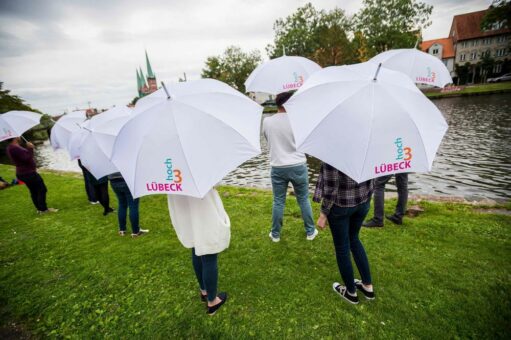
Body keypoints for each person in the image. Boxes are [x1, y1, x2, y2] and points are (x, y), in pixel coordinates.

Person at [314, 162, 375, 304]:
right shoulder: (366, 144)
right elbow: (373, 176)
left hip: (341, 206)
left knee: (342, 248)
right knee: (354, 239)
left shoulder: (333, 151)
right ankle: (368, 287)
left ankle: (351, 292)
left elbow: (330, 188)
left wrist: (323, 214)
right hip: (363, 202)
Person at [262, 91, 317, 242]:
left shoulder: (267, 121)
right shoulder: (299, 121)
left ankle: (275, 234)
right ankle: (310, 232)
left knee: (278, 201)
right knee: (303, 199)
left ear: (278, 104)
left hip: (278, 166)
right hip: (298, 164)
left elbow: (268, 140)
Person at [167, 188, 229, 315]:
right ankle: (212, 301)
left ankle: (204, 291)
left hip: (181, 203)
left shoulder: (168, 169)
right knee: (208, 251)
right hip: (202, 205)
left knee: (196, 246)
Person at [6, 137, 57, 213]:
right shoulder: (14, 148)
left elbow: (24, 157)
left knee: (34, 191)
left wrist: (28, 149)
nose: (19, 136)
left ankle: (39, 209)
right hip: (28, 173)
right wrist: (30, 149)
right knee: (42, 189)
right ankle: (43, 209)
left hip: (25, 172)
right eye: (18, 136)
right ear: (15, 138)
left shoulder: (13, 147)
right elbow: (27, 158)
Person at [108, 172, 148, 237]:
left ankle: (122, 230)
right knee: (133, 206)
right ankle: (136, 231)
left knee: (122, 204)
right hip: (128, 180)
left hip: (113, 181)